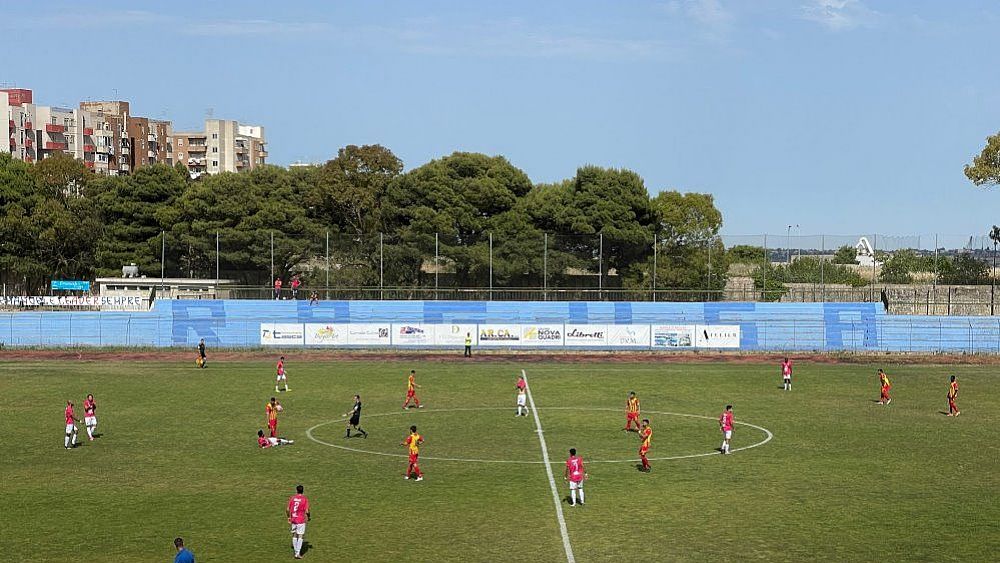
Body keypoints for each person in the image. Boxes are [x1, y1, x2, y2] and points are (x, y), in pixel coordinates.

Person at [287, 484, 311, 560]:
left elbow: (287, 509)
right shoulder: (304, 499)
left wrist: (288, 517)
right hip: (301, 520)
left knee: (294, 535)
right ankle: (297, 553)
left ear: (296, 490)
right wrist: (309, 516)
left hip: (293, 519)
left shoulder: (292, 498)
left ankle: (295, 551)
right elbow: (307, 511)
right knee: (300, 536)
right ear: (303, 490)